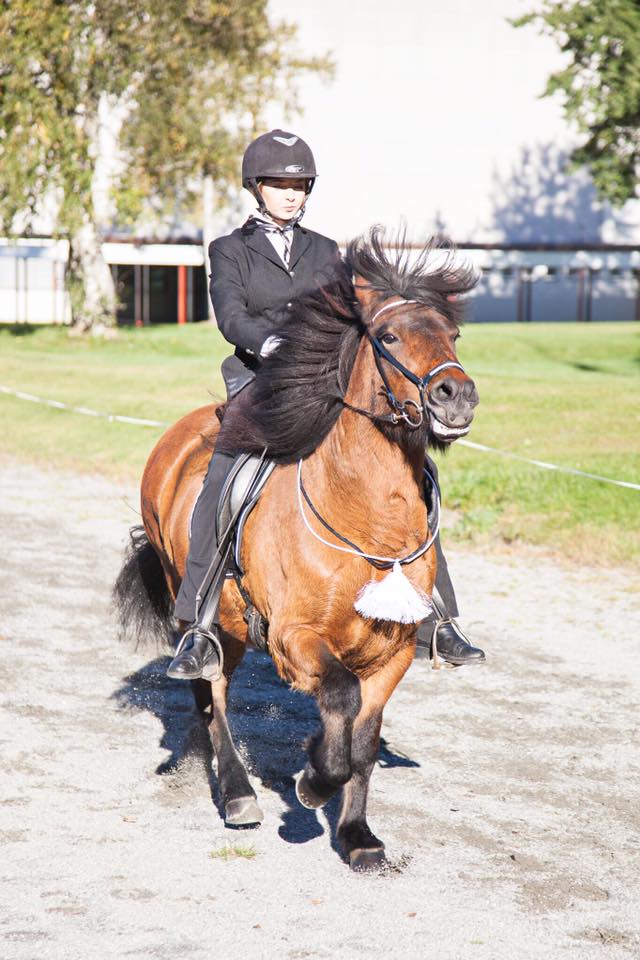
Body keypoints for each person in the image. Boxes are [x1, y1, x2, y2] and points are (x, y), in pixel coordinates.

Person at [167, 129, 485, 680]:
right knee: (224, 475)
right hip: (260, 381)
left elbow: (352, 318)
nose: (291, 194)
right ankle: (197, 623)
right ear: (256, 187)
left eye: (300, 185)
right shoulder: (229, 250)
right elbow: (231, 316)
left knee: (415, 469)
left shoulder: (324, 250)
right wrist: (270, 344)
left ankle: (438, 616)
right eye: (279, 184)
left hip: (325, 385)